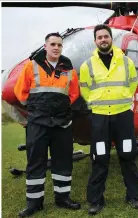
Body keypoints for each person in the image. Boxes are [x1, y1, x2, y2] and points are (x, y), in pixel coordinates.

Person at [14, 32, 81, 217]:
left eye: (59, 45)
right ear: (46, 46)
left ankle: (63, 199)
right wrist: (38, 109)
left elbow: (74, 95)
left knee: (63, 162)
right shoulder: (31, 66)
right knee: (36, 162)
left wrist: (59, 109)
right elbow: (20, 92)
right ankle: (34, 204)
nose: (56, 47)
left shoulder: (69, 69)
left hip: (62, 124)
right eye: (53, 44)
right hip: (38, 124)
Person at [80, 24, 138, 215]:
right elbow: (85, 89)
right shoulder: (87, 65)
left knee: (127, 154)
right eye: (99, 38)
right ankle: (96, 201)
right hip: (100, 118)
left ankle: (134, 197)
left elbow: (133, 84)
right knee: (99, 157)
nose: (103, 40)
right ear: (95, 41)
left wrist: (122, 99)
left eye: (105, 37)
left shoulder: (126, 62)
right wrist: (94, 102)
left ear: (111, 39)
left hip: (123, 115)